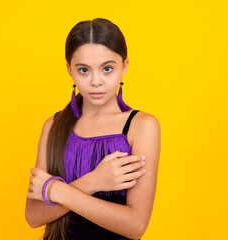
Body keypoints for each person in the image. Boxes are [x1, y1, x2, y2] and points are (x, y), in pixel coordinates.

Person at [25, 18, 161, 240]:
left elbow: (135, 225)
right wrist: (94, 182)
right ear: (70, 69)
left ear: (124, 67)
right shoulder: (53, 126)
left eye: (107, 69)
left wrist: (56, 190)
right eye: (84, 70)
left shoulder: (141, 126)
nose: (96, 81)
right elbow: (33, 216)